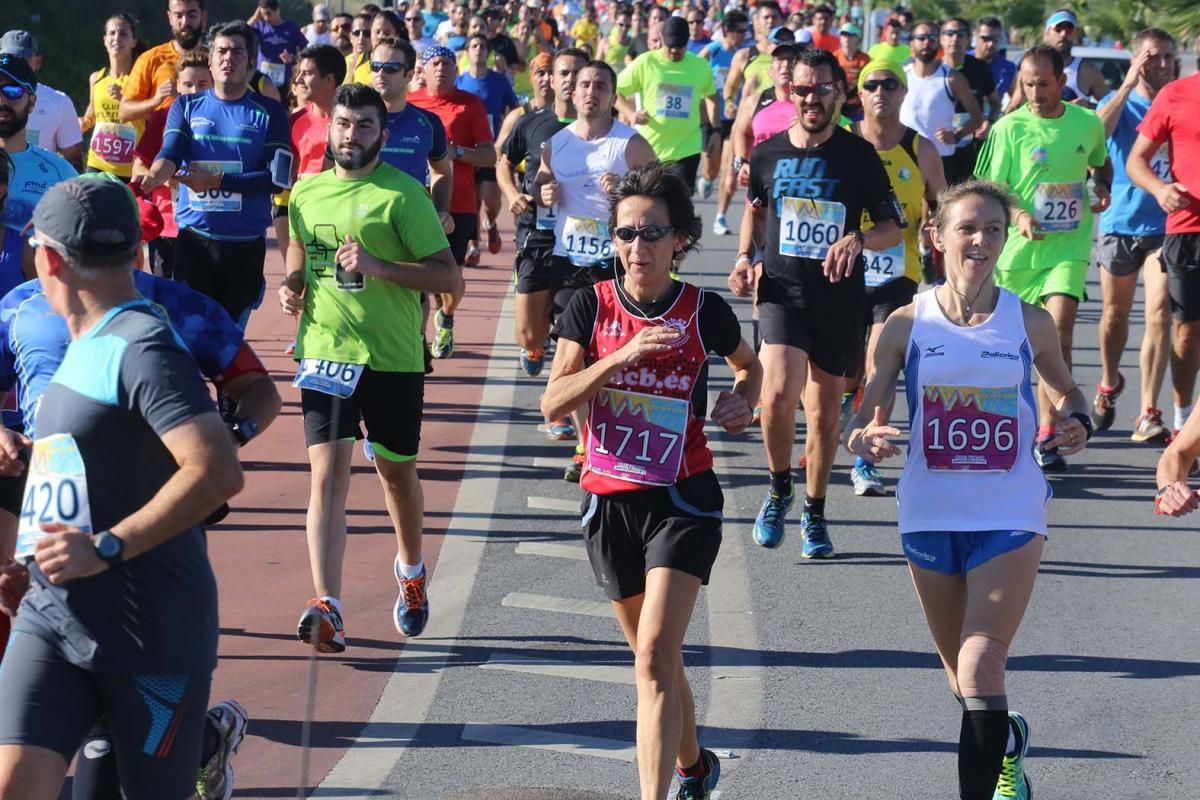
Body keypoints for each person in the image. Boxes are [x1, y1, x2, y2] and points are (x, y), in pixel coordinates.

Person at [843, 179, 1092, 800]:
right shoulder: (905, 324)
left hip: (1010, 510)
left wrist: (1077, 423)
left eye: (994, 231)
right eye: (968, 228)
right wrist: (860, 440)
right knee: (962, 677)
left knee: (982, 664)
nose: (981, 241)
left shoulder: (1027, 320)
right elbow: (862, 411)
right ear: (938, 236)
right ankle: (1007, 740)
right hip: (929, 513)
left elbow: (1068, 390)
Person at [0, 176, 245, 800]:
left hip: (151, 633)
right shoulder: (82, 342)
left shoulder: (143, 345)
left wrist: (104, 547)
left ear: (47, 258)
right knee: (13, 783)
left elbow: (217, 470)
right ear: (138, 251)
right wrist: (31, 558)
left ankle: (211, 747)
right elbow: (91, 460)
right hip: (53, 614)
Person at [541, 162, 760, 800]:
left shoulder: (704, 310)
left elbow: (750, 369)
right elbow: (554, 402)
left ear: (679, 241)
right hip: (609, 497)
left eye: (652, 233)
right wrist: (620, 357)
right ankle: (693, 765)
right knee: (655, 662)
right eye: (627, 234)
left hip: (683, 495)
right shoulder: (591, 304)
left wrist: (741, 402)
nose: (638, 247)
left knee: (655, 655)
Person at [279, 83, 460, 651]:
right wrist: (292, 284)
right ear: (327, 128)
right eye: (341, 124)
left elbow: (448, 279)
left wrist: (380, 265)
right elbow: (298, 249)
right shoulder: (306, 193)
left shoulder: (402, 196)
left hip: (391, 358)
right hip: (325, 352)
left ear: (382, 134)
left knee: (396, 477)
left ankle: (410, 571)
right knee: (327, 477)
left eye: (362, 125)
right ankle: (326, 602)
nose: (349, 134)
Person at [729, 47, 901, 557]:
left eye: (821, 90)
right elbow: (757, 215)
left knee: (825, 414)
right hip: (782, 294)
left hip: (840, 300)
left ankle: (815, 511)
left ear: (839, 95)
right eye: (801, 89)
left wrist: (859, 240)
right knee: (778, 395)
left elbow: (893, 229)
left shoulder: (858, 155)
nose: (810, 98)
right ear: (790, 91)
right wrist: (744, 257)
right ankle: (780, 487)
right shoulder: (767, 154)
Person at [974, 45, 1109, 472]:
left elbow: (1100, 165)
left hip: (1067, 250)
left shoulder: (1087, 124)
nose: (1035, 92)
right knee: (1009, 346)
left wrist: (1101, 188)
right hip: (1017, 254)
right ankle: (1000, 426)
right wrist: (1018, 214)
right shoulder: (1009, 128)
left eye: (1043, 84)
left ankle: (1050, 431)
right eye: (1027, 84)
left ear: (1061, 82)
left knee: (1058, 331)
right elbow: (990, 187)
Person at [135, 21, 291, 329]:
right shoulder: (186, 106)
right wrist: (153, 176)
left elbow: (277, 179)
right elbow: (170, 152)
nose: (227, 58)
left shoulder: (270, 113)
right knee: (189, 340)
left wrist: (218, 181)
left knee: (228, 344)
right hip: (194, 242)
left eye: (237, 52)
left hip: (245, 245)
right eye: (221, 51)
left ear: (250, 61)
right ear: (210, 59)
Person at [847, 59, 946, 497]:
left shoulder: (920, 148)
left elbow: (942, 202)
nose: (881, 91)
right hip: (843, 270)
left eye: (890, 84)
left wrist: (936, 231)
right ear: (860, 95)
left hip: (897, 273)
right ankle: (840, 429)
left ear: (904, 93)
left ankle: (867, 453)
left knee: (879, 363)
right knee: (843, 372)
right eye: (872, 85)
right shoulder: (843, 142)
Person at [1091, 28, 1175, 442]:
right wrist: (1125, 85)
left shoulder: (1179, 100)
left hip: (1167, 222)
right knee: (1114, 317)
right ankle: (1108, 382)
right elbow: (1095, 137)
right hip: (1121, 221)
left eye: (1168, 58)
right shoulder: (1119, 102)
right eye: (1153, 57)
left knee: (1159, 313)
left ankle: (1147, 411)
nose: (1162, 65)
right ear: (1137, 60)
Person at [1128, 52, 1200, 442]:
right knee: (1187, 333)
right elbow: (1136, 160)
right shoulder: (1175, 94)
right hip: (1188, 228)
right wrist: (1159, 189)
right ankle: (1182, 419)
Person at [499, 49, 584, 377]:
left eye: (576, 74)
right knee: (528, 333)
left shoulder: (603, 129)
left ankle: (561, 408)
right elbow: (504, 163)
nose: (567, 80)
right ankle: (539, 340)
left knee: (572, 328)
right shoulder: (532, 123)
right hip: (535, 233)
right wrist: (512, 193)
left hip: (580, 241)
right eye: (562, 73)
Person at [409, 45, 495, 356]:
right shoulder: (409, 103)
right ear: (422, 69)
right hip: (415, 202)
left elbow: (489, 154)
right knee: (416, 273)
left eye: (447, 63)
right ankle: (415, 340)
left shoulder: (470, 105)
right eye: (435, 63)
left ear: (456, 70)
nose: (442, 68)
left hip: (458, 204)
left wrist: (455, 152)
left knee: (450, 277)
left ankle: (445, 316)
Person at [0, 54, 77, 296]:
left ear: (32, 102)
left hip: (32, 308)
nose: (1, 100)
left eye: (11, 91)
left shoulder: (59, 172)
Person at [616, 17, 717, 194]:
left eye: (679, 47)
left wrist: (716, 130)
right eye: (670, 46)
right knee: (650, 203)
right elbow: (615, 91)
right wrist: (631, 114)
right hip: (649, 149)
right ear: (662, 38)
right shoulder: (645, 62)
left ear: (688, 41)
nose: (674, 51)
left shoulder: (700, 66)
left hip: (686, 149)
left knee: (680, 206)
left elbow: (711, 98)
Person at [457, 33, 519, 257]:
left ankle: (491, 223)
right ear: (467, 52)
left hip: (492, 147)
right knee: (471, 202)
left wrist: (505, 134)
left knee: (491, 199)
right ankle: (473, 246)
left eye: (483, 46)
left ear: (488, 52)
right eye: (474, 45)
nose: (479, 49)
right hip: (467, 149)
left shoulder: (499, 80)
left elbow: (514, 108)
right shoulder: (460, 82)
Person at [898, 21, 982, 185]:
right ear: (912, 42)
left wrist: (956, 136)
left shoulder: (952, 78)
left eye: (932, 38)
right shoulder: (902, 76)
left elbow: (977, 117)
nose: (927, 42)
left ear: (939, 42)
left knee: (940, 210)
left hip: (941, 159)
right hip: (905, 157)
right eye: (921, 38)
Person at [0, 32, 83, 171]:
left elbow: (73, 158)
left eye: (22, 59)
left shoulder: (59, 102)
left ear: (37, 62)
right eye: (8, 58)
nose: (15, 65)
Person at [697, 8, 748, 235]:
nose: (742, 35)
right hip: (712, 116)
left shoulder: (744, 55)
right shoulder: (713, 50)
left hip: (735, 119)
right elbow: (695, 71)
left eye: (745, 31)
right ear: (727, 31)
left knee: (730, 167)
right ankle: (707, 179)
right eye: (738, 31)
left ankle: (720, 217)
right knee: (711, 167)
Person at [119, 0, 208, 123]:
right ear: (170, 18)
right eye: (178, 15)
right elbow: (124, 112)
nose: (185, 22)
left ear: (203, 17)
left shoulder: (216, 60)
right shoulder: (151, 58)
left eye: (191, 15)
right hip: (163, 139)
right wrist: (156, 100)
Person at [80, 14, 146, 181]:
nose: (117, 38)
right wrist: (83, 122)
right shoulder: (96, 78)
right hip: (97, 163)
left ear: (134, 41)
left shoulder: (142, 79)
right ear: (104, 40)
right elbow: (92, 114)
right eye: (112, 33)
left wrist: (124, 100)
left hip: (131, 168)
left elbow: (154, 117)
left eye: (123, 34)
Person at [1008, 9, 1106, 110]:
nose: (1063, 34)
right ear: (1047, 33)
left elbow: (1112, 108)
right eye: (1058, 29)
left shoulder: (1087, 71)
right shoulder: (1029, 69)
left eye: (1069, 29)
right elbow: (1013, 109)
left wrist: (1089, 106)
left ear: (1075, 33)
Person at [941, 17, 998, 186]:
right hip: (937, 146)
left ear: (968, 39)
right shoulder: (932, 69)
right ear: (941, 38)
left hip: (970, 146)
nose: (955, 39)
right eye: (949, 34)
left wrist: (989, 121)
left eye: (960, 34)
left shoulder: (979, 68)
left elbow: (994, 102)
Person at [249, 0, 309, 94]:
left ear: (277, 10)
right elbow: (242, 31)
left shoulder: (291, 28)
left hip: (285, 81)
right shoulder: (260, 25)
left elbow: (306, 52)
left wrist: (292, 59)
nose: (265, 17)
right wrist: (255, 17)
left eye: (268, 13)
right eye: (262, 14)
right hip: (262, 79)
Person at [972, 17, 1016, 106]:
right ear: (975, 36)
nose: (991, 44)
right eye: (985, 38)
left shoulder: (1008, 67)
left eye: (995, 39)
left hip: (994, 117)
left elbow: (1016, 99)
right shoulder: (963, 61)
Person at [834, 23, 870, 121]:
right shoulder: (835, 57)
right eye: (844, 35)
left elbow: (865, 83)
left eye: (850, 35)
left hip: (857, 108)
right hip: (837, 106)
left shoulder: (865, 59)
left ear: (857, 38)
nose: (847, 38)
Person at [597, 5, 633, 73]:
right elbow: (597, 65)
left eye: (627, 26)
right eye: (621, 24)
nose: (624, 28)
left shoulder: (633, 43)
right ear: (615, 22)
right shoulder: (605, 42)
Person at [344, 11, 376, 84]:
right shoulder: (342, 63)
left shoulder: (377, 67)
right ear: (350, 36)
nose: (361, 38)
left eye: (367, 33)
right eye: (357, 33)